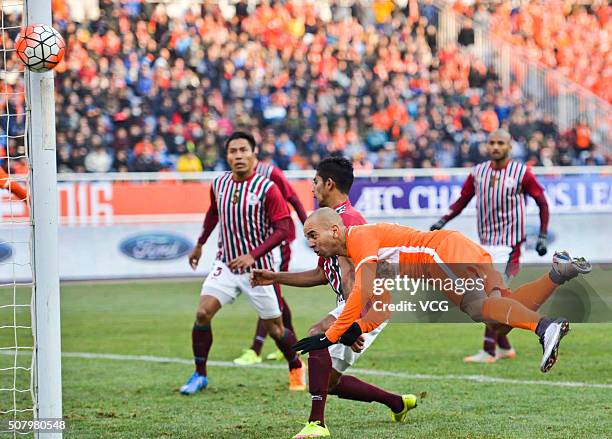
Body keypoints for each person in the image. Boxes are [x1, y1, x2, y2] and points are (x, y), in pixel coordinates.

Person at [294, 209, 591, 376]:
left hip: (438, 252)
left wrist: (330, 336)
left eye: (312, 234)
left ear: (335, 230)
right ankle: (558, 273)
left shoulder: (359, 238)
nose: (310, 242)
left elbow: (360, 291)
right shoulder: (361, 253)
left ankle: (544, 326)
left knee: (476, 308)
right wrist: (357, 327)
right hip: (450, 248)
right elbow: (382, 308)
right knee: (499, 321)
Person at [252, 157, 416, 439]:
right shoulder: (330, 222)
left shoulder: (348, 222)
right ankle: (398, 403)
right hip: (356, 303)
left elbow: (359, 277)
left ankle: (317, 425)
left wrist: (352, 324)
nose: (312, 188)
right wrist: (276, 276)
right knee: (327, 381)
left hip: (368, 304)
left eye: (315, 181)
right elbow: (321, 274)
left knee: (317, 333)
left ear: (329, 183)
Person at [179, 131, 305, 395]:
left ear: (253, 154)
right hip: (225, 264)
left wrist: (253, 255)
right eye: (232, 151)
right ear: (227, 156)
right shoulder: (219, 183)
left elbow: (283, 228)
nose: (238, 156)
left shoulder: (266, 188)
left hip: (258, 271)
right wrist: (200, 243)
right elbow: (214, 213)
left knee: (276, 328)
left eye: (243, 150)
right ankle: (199, 374)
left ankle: (295, 365)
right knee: (202, 313)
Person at [431, 128, 550, 363]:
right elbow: (462, 201)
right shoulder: (478, 173)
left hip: (510, 245)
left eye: (500, 143)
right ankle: (504, 346)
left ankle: (489, 350)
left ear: (509, 147)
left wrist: (543, 235)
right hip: (485, 245)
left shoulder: (521, 173)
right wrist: (443, 220)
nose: (495, 147)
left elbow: (542, 203)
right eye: (492, 143)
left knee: (493, 297)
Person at [233, 152, 308, 365]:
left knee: (269, 292)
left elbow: (293, 198)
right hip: (257, 243)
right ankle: (291, 346)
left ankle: (255, 349)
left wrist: (308, 228)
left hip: (277, 241)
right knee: (274, 294)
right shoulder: (236, 178)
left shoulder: (270, 172)